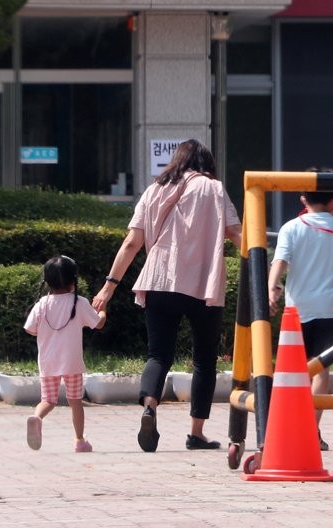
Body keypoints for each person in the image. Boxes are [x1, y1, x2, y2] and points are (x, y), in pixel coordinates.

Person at [92, 139, 242, 453]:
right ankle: (196, 433)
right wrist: (263, 265)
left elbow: (131, 243)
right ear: (206, 163)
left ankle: (150, 406)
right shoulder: (213, 189)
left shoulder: (154, 190)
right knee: (204, 359)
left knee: (158, 354)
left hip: (159, 280)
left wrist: (109, 286)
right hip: (203, 284)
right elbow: (237, 235)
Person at [267, 169, 333, 450]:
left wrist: (272, 289)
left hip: (297, 310)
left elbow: (279, 262)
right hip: (332, 310)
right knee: (321, 372)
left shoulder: (290, 228)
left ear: (302, 198)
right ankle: (311, 429)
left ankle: (284, 430)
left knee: (292, 372)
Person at [24, 255, 107, 452]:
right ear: (73, 280)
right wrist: (102, 311)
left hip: (48, 362)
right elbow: (98, 323)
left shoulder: (42, 304)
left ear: (47, 281)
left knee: (48, 400)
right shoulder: (79, 302)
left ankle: (37, 418)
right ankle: (79, 441)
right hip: (72, 363)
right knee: (75, 400)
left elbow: (30, 329)